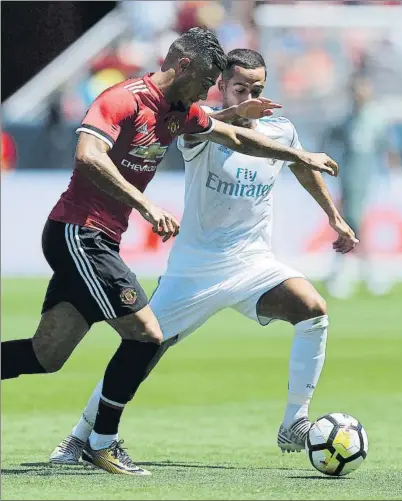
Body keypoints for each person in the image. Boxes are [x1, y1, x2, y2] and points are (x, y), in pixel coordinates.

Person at [48, 49, 354, 475]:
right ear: (223, 87)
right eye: (241, 87)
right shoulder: (199, 122)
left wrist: (333, 216)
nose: (251, 95)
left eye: (258, 89)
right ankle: (82, 435)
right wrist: (235, 112)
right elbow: (207, 130)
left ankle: (294, 422)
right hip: (193, 270)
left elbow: (302, 168)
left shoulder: (281, 130)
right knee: (145, 346)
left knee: (313, 310)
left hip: (252, 263)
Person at [324, 76, 402, 298]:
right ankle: (361, 273)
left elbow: (388, 147)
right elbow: (330, 143)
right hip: (348, 179)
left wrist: (396, 175)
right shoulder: (346, 119)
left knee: (354, 224)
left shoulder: (376, 118)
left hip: (368, 179)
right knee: (352, 224)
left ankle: (347, 272)